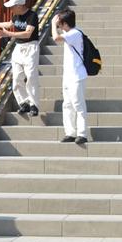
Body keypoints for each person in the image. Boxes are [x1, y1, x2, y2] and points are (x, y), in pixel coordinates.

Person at [0, 0, 40, 117]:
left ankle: (34, 104)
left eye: (12, 6)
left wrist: (8, 34)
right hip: (19, 47)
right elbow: (9, 24)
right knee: (16, 77)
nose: (10, 9)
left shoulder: (32, 16)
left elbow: (27, 34)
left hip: (30, 47)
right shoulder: (16, 15)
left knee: (31, 76)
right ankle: (24, 102)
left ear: (20, 5)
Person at [50, 9, 89, 145]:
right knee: (67, 105)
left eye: (60, 23)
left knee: (78, 105)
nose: (59, 25)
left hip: (77, 76)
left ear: (65, 23)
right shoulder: (70, 33)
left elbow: (56, 38)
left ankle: (82, 134)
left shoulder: (75, 33)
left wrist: (52, 25)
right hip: (68, 76)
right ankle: (70, 133)